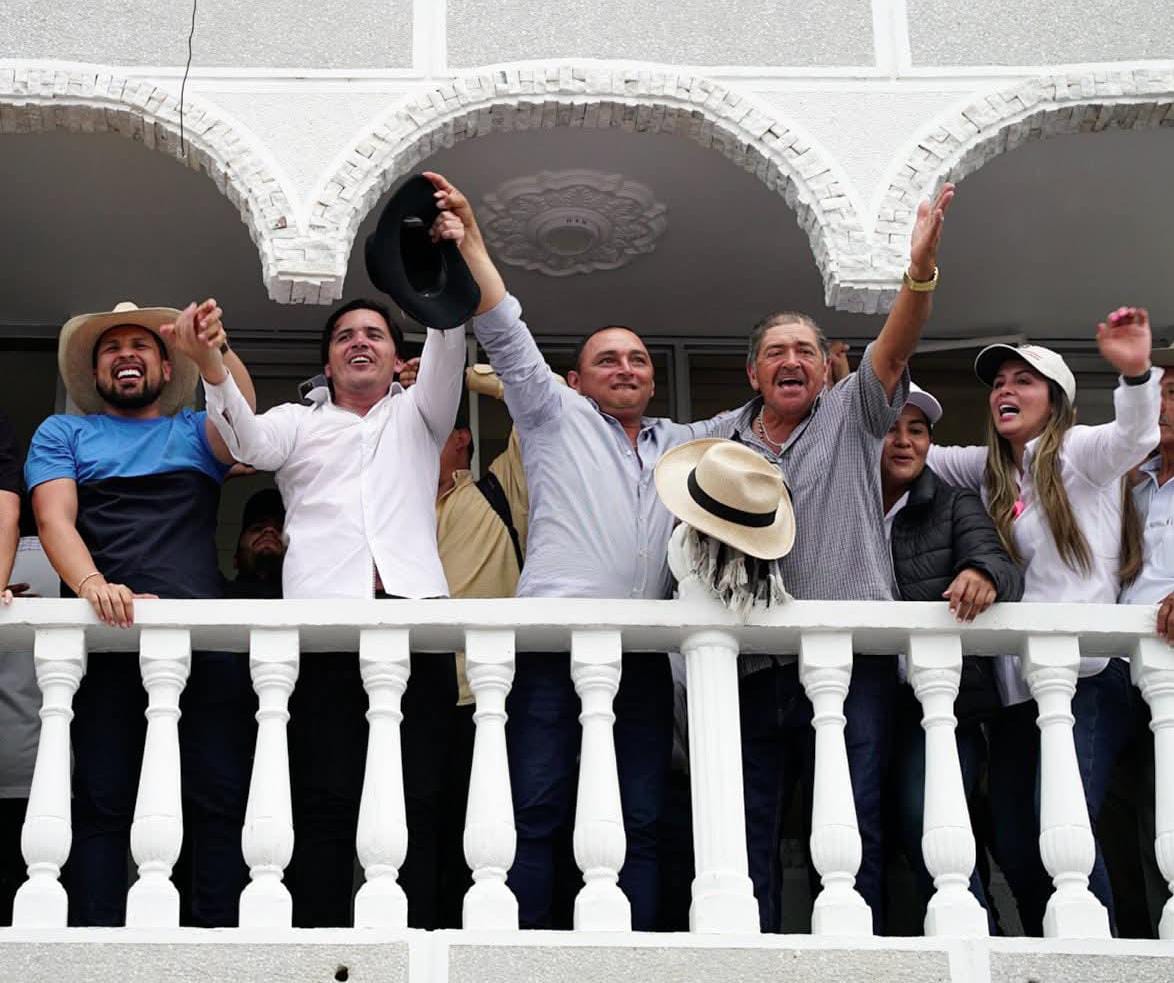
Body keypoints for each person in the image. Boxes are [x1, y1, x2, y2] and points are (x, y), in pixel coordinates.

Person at [430, 170, 741, 931]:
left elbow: (767, 431)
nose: (627, 369)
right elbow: (503, 327)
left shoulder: (684, 445)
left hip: (638, 657)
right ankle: (524, 955)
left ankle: (626, 954)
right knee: (536, 808)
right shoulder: (551, 414)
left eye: (638, 360)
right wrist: (471, 240)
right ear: (576, 378)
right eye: (609, 359)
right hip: (548, 649)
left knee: (639, 816)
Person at [194, 190, 466, 928]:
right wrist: (212, 363)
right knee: (322, 796)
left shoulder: (420, 414)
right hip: (322, 631)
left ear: (394, 352)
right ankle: (317, 945)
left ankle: (422, 951)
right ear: (328, 356)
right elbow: (244, 443)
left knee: (421, 796)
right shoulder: (297, 424)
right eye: (346, 334)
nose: (360, 342)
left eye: (375, 332)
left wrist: (443, 258)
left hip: (415, 626)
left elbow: (449, 336)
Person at [724, 185, 954, 932]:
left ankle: (862, 956)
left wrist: (917, 273)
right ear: (753, 373)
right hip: (754, 668)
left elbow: (896, 343)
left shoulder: (856, 410)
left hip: (852, 665)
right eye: (775, 352)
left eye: (806, 351)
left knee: (857, 819)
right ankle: (751, 957)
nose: (792, 361)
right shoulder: (719, 442)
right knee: (749, 826)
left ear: (827, 368)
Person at [926, 308, 1160, 934]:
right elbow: (914, 451)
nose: (1006, 389)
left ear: (1056, 402)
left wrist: (1136, 373)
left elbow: (1134, 438)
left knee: (1065, 829)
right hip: (1013, 693)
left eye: (1023, 380)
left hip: (1085, 679)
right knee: (1015, 838)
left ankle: (1097, 956)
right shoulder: (990, 471)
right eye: (999, 382)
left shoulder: (1081, 455)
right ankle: (1048, 951)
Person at [25, 299, 258, 927]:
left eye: (141, 347)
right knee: (103, 798)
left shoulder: (191, 430)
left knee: (215, 795)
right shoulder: (63, 433)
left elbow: (246, 424)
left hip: (202, 643)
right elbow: (53, 519)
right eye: (111, 349)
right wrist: (91, 583)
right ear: (96, 372)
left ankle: (217, 949)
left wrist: (215, 347)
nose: (126, 356)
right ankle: (95, 942)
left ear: (164, 364)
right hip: (106, 638)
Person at [880, 383, 1023, 925]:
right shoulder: (844, 506)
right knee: (865, 829)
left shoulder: (953, 501)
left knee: (934, 821)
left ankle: (976, 938)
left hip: (941, 702)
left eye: (916, 431)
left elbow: (1002, 564)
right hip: (859, 693)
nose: (903, 441)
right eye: (891, 429)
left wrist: (980, 572)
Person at [226, 487, 285, 600]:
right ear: (235, 559)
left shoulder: (310, 599)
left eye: (279, 529)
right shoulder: (212, 594)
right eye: (257, 528)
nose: (269, 530)